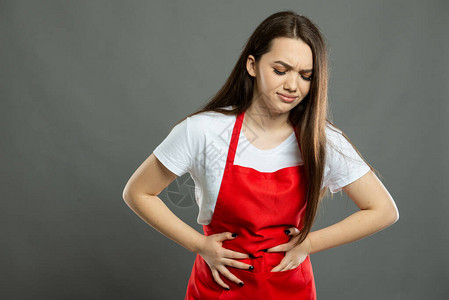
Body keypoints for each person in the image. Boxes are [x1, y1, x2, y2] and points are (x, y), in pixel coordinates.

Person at [122, 10, 399, 299]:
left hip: (291, 288)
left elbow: (383, 210)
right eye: (281, 70)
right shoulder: (203, 131)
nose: (293, 85)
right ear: (252, 65)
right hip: (218, 290)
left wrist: (308, 244)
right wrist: (198, 244)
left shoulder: (322, 140)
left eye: (306, 76)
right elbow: (138, 192)